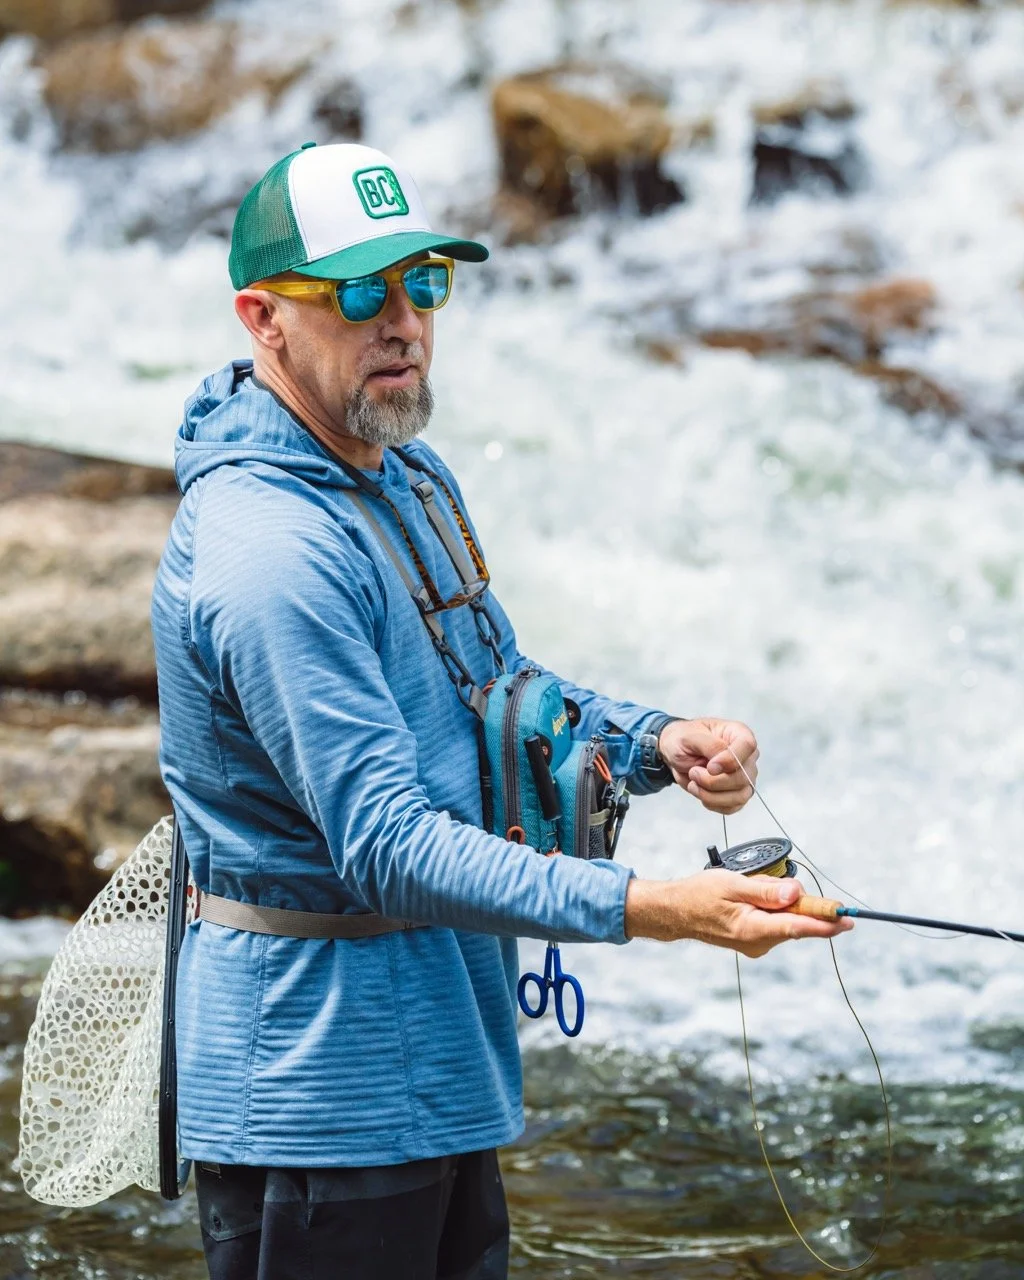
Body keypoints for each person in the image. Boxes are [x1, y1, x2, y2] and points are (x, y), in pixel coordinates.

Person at [151, 141, 850, 1280]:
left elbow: (496, 681)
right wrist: (658, 906)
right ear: (263, 317)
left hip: (440, 1054)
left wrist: (653, 742)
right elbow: (383, 844)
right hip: (319, 1093)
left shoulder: (402, 472)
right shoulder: (268, 552)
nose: (404, 322)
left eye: (423, 281)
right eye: (360, 291)